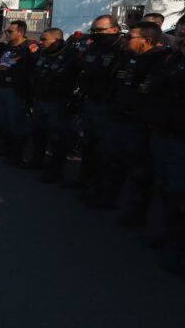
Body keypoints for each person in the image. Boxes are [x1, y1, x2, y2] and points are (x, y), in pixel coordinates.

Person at [102, 21, 167, 227]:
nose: (125, 40)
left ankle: (136, 214)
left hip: (138, 123)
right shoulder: (128, 57)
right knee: (114, 161)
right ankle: (108, 198)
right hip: (119, 117)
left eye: (130, 37)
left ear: (146, 41)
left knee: (140, 171)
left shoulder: (159, 61)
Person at [144, 15, 185, 275]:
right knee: (168, 191)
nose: (181, 38)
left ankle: (178, 248)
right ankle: (170, 235)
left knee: (180, 196)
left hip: (181, 141)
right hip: (163, 134)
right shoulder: (170, 59)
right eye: (180, 33)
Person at [77, 15, 124, 206]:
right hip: (91, 102)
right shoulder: (93, 47)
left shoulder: (123, 49)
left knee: (107, 152)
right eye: (93, 30)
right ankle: (86, 183)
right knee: (89, 146)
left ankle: (105, 193)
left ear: (114, 30)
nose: (95, 34)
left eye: (100, 30)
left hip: (109, 107)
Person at [27, 28, 80, 182]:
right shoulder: (42, 53)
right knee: (38, 133)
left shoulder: (70, 56)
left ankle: (55, 169)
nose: (40, 42)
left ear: (56, 40)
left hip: (58, 101)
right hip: (40, 99)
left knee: (58, 137)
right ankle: (37, 160)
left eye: (44, 39)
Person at [0, 20, 38, 166]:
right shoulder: (7, 46)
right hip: (3, 88)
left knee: (17, 123)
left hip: (16, 90)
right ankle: (6, 150)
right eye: (6, 31)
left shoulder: (29, 47)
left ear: (20, 32)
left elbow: (34, 69)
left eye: (10, 31)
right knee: (4, 121)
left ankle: (17, 155)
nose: (7, 34)